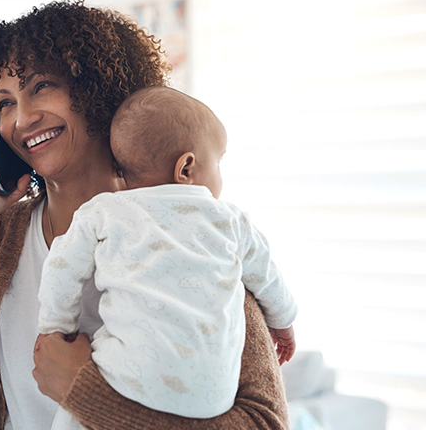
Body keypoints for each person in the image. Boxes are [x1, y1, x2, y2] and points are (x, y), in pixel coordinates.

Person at [0, 0, 290, 430]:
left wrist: (86, 394)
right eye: (5, 103)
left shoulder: (192, 227)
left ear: (97, 90)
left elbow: (264, 422)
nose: (23, 118)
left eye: (41, 86)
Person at [37, 86, 297, 428]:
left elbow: (61, 268)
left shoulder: (104, 212)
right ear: (186, 167)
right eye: (218, 162)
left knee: (72, 414)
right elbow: (267, 275)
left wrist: (56, 328)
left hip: (124, 378)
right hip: (212, 397)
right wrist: (283, 321)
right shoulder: (228, 219)